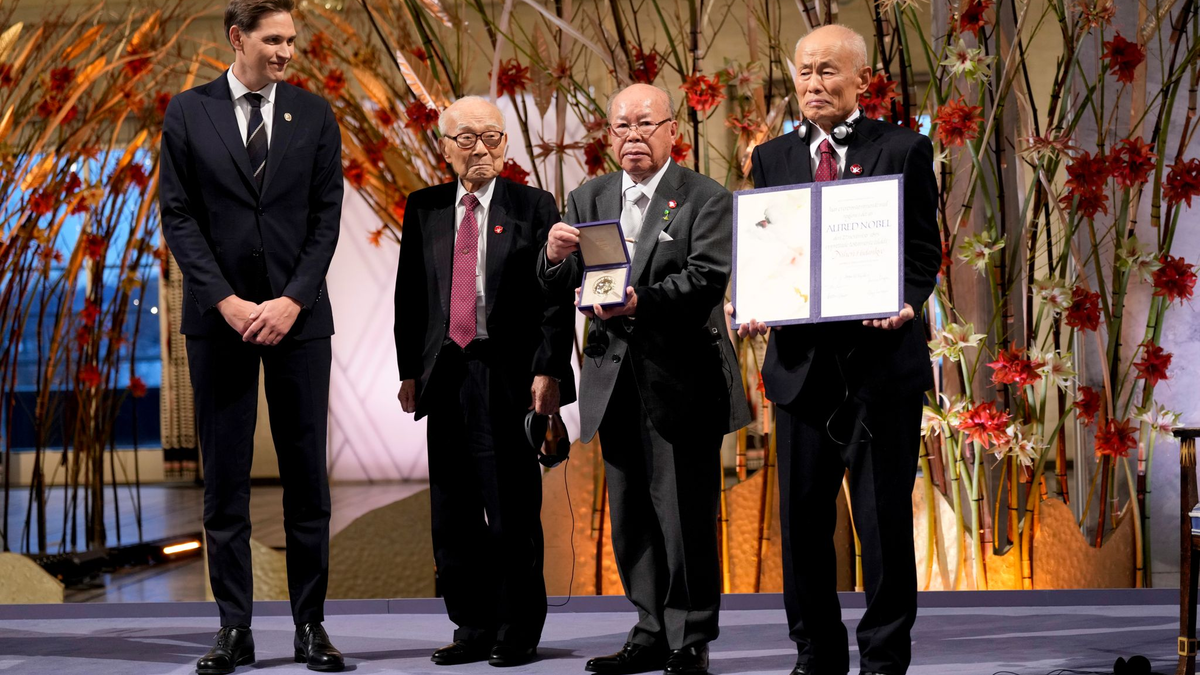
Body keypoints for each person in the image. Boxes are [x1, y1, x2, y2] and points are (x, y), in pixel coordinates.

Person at [729, 24, 941, 675]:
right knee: (802, 525)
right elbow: (768, 244)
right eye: (805, 71)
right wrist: (748, 294)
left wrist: (905, 299)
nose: (814, 83)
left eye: (828, 71)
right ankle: (815, 651)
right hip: (798, 372)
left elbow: (922, 252)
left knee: (881, 526)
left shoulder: (904, 148)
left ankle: (883, 657)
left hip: (881, 372)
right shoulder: (771, 157)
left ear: (860, 81)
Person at [158, 1, 344, 672]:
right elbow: (178, 218)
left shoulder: (316, 114)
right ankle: (233, 627)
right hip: (219, 323)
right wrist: (229, 302)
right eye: (273, 39)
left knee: (307, 483)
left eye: (292, 40)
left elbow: (327, 219)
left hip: (300, 324)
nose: (286, 52)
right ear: (237, 38)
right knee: (225, 484)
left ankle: (310, 625)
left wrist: (293, 300)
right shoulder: (187, 113)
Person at [539, 83, 750, 675]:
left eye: (645, 124)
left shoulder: (705, 197)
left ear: (671, 130)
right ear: (608, 136)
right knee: (630, 515)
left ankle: (690, 638)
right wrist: (553, 256)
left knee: (684, 516)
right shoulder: (588, 196)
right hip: (613, 380)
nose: (633, 135)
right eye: (621, 126)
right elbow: (556, 288)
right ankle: (649, 628)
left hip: (682, 379)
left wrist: (639, 302)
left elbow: (707, 279)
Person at [394, 96, 576, 668]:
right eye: (467, 138)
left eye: (492, 137)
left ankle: (518, 627)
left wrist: (549, 369)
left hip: (507, 376)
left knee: (511, 509)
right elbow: (410, 297)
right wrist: (407, 369)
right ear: (444, 147)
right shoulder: (422, 208)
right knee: (452, 512)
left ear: (506, 146)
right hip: (444, 373)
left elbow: (554, 299)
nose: (481, 148)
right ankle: (471, 624)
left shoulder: (533, 205)